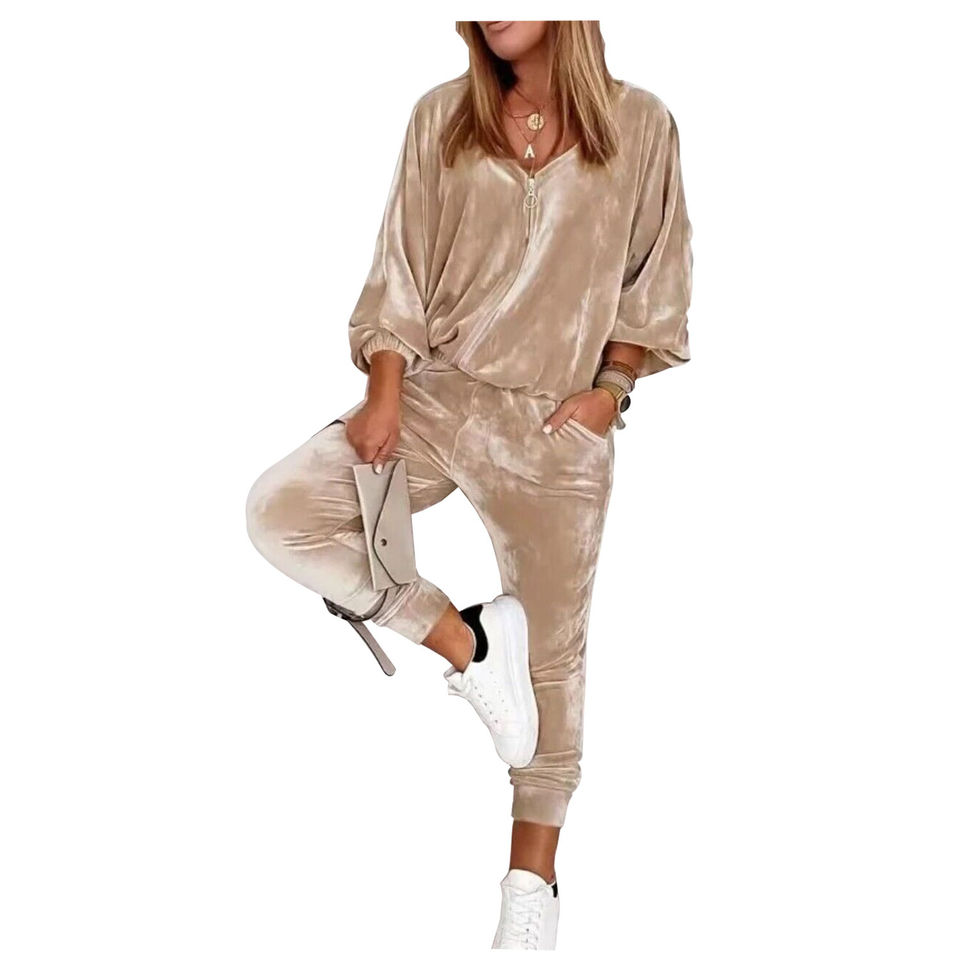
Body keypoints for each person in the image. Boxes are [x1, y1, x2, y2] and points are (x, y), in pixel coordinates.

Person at [246, 20, 693, 950]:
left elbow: (655, 284)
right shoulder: (442, 118)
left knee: (556, 664)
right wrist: (384, 394)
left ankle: (531, 890)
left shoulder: (642, 124)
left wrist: (610, 392)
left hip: (555, 425)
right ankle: (469, 641)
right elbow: (399, 271)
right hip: (436, 396)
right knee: (282, 512)